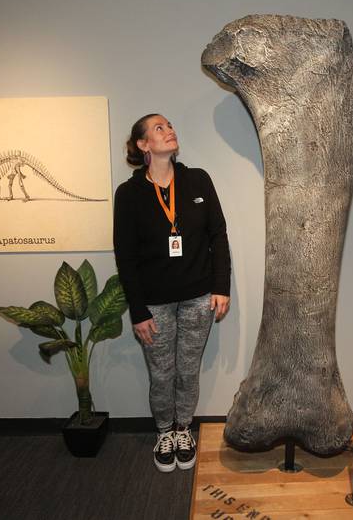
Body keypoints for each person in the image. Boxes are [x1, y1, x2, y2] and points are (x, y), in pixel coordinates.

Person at [113, 113, 231, 473]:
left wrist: (221, 287)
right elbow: (126, 256)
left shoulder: (198, 181)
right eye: (159, 128)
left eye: (170, 125)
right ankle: (164, 431)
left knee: (187, 371)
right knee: (162, 373)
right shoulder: (129, 194)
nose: (170, 130)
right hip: (154, 303)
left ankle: (183, 429)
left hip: (199, 297)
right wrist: (137, 310)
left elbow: (218, 236)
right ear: (143, 145)